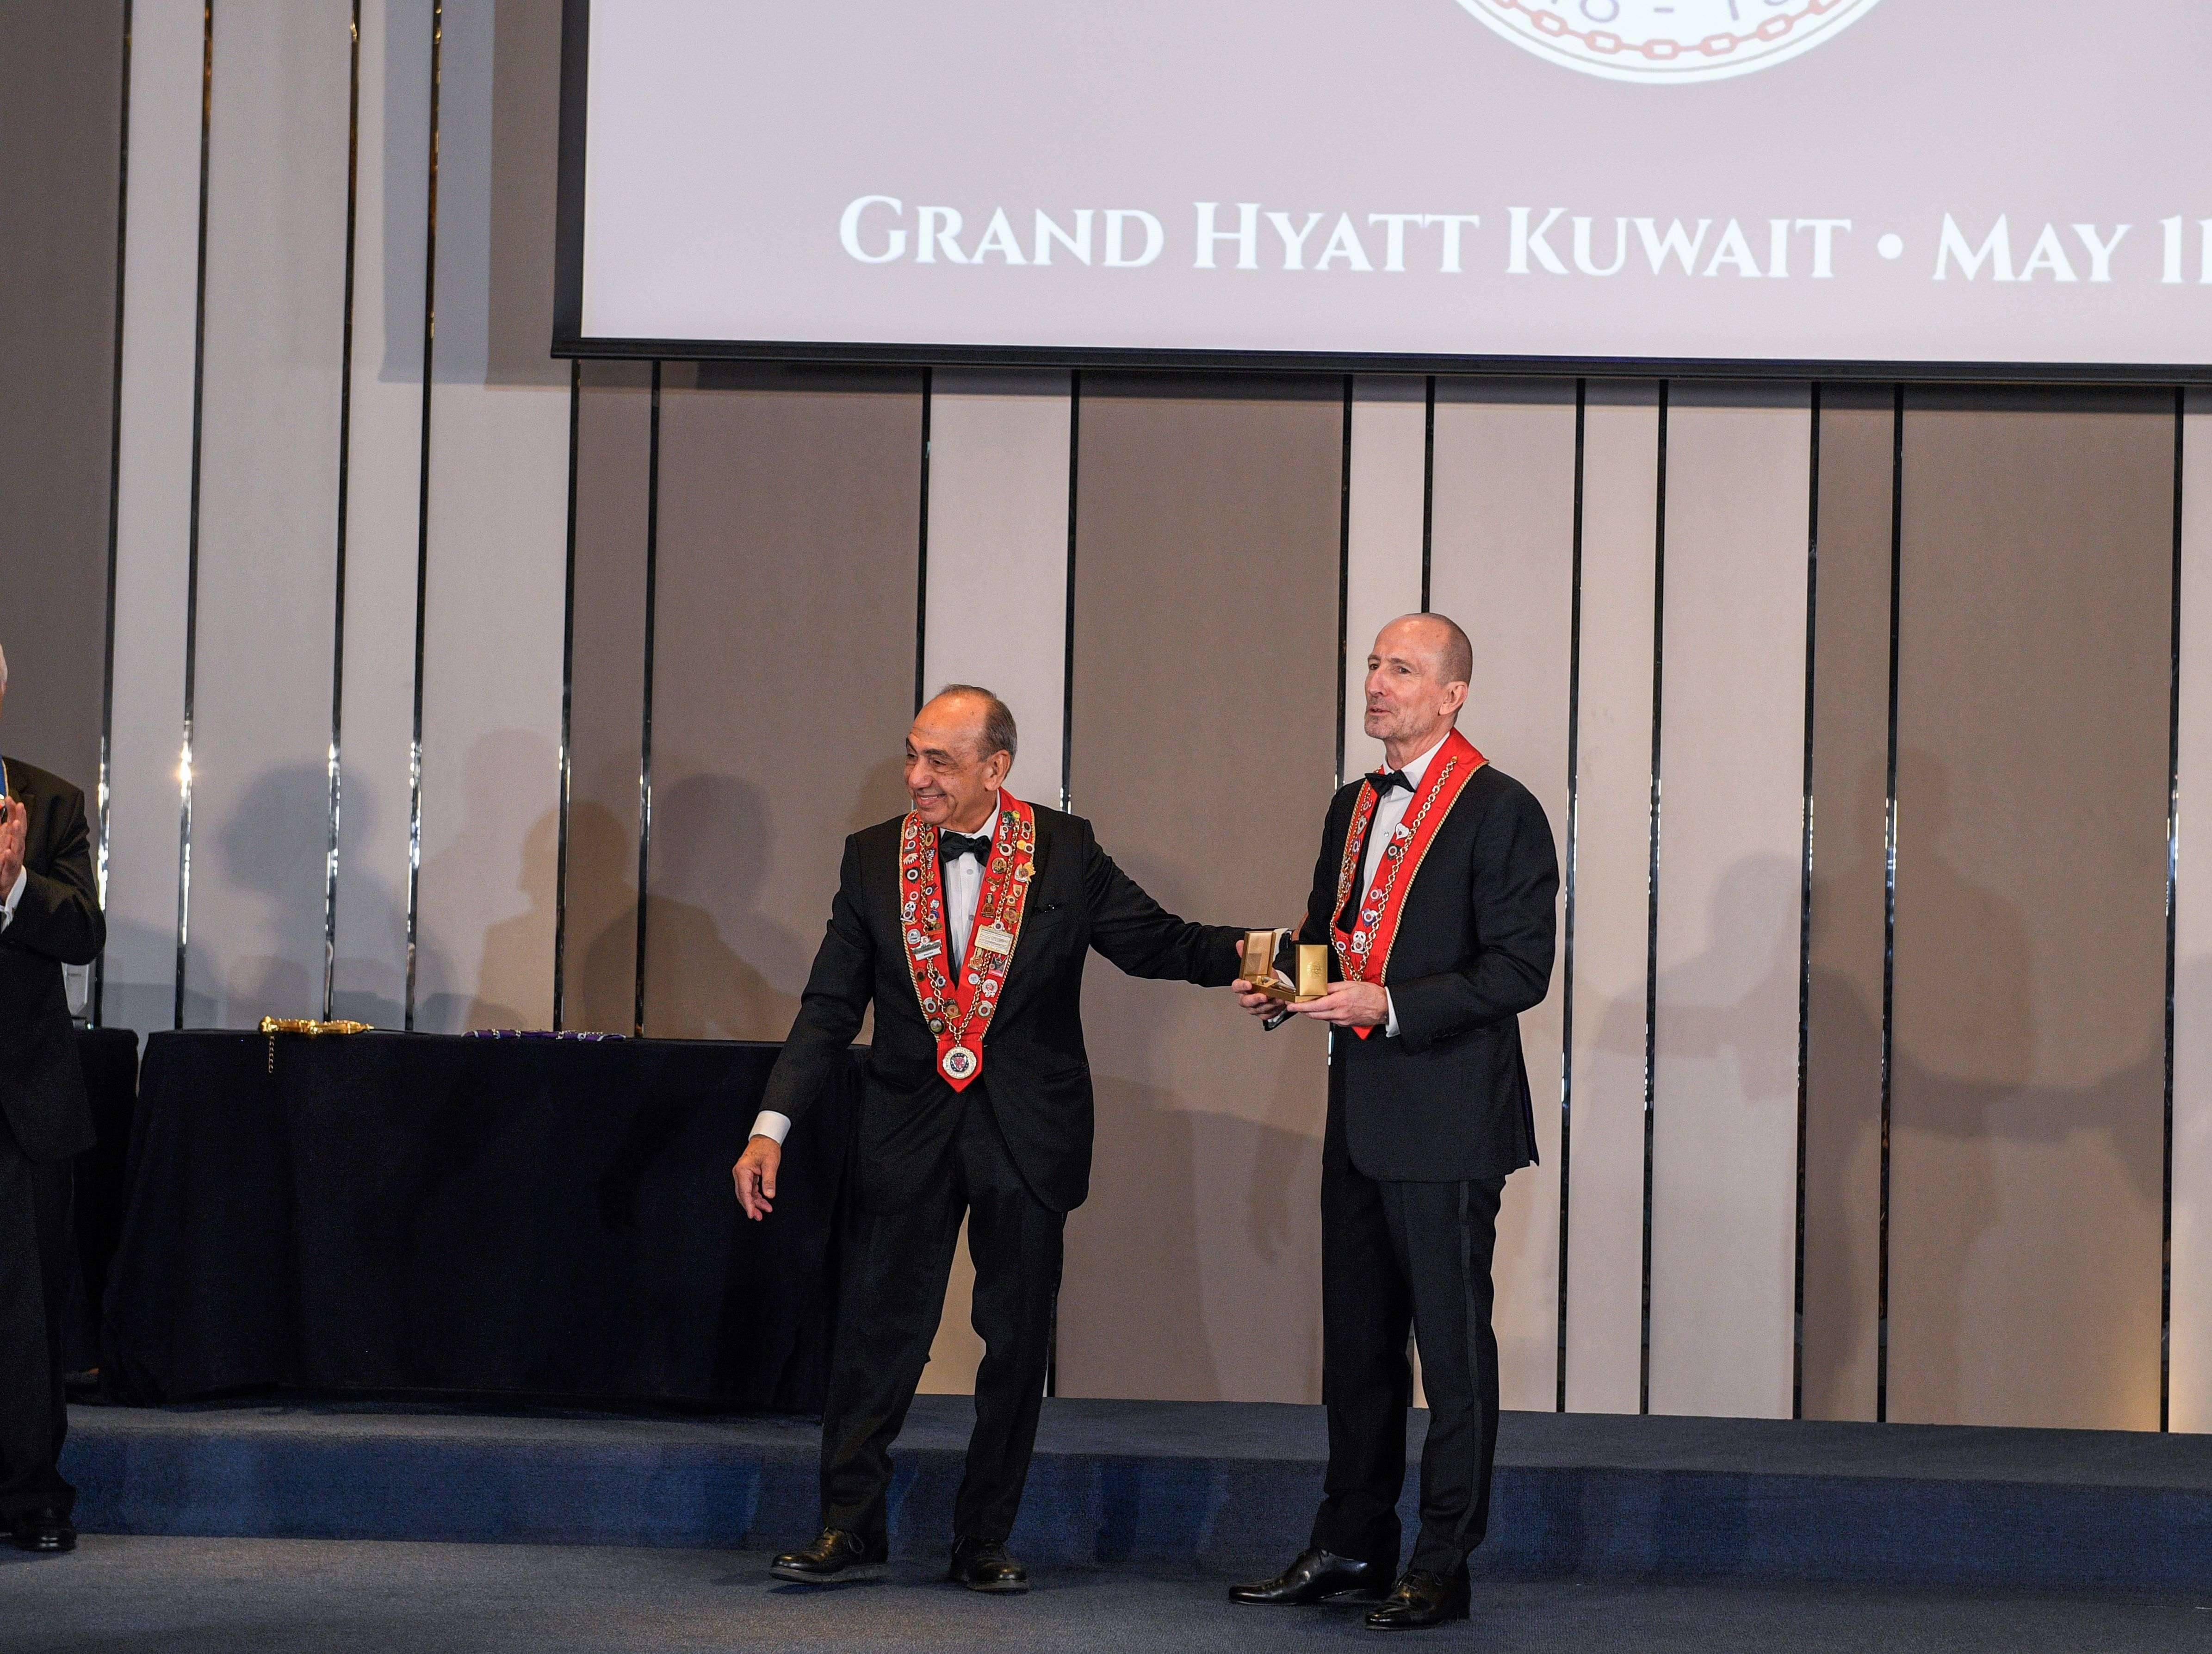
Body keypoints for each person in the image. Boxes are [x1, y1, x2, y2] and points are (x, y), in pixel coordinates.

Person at [732, 685, 1246, 1593]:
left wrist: (1274, 955)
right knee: (876, 1334)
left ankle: (984, 1538)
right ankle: (847, 1526)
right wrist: (771, 1124)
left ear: (995, 768)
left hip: (1027, 1133)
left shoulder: (1066, 850)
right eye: (912, 754)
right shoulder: (871, 857)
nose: (915, 776)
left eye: (939, 760)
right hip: (906, 1130)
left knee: (1013, 1345)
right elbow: (828, 1006)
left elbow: (1159, 942)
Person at [1227, 614, 1558, 1631]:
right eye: (1372, 664)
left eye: (1402, 669)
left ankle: (1442, 1561)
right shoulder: (1354, 802)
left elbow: (1520, 969)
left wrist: (1391, 1003)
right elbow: (1335, 934)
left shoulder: (1502, 808)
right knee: (1359, 1350)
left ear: (1453, 694)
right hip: (1362, 1112)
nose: (1376, 682)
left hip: (1450, 1116)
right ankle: (1353, 1543)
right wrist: (1287, 982)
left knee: (1451, 1356)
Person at [0, 643, 107, 1555]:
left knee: (26, 1318)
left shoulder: (53, 802)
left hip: (23, 1106)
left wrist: (13, 890)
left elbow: (83, 931)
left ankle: (32, 1495)